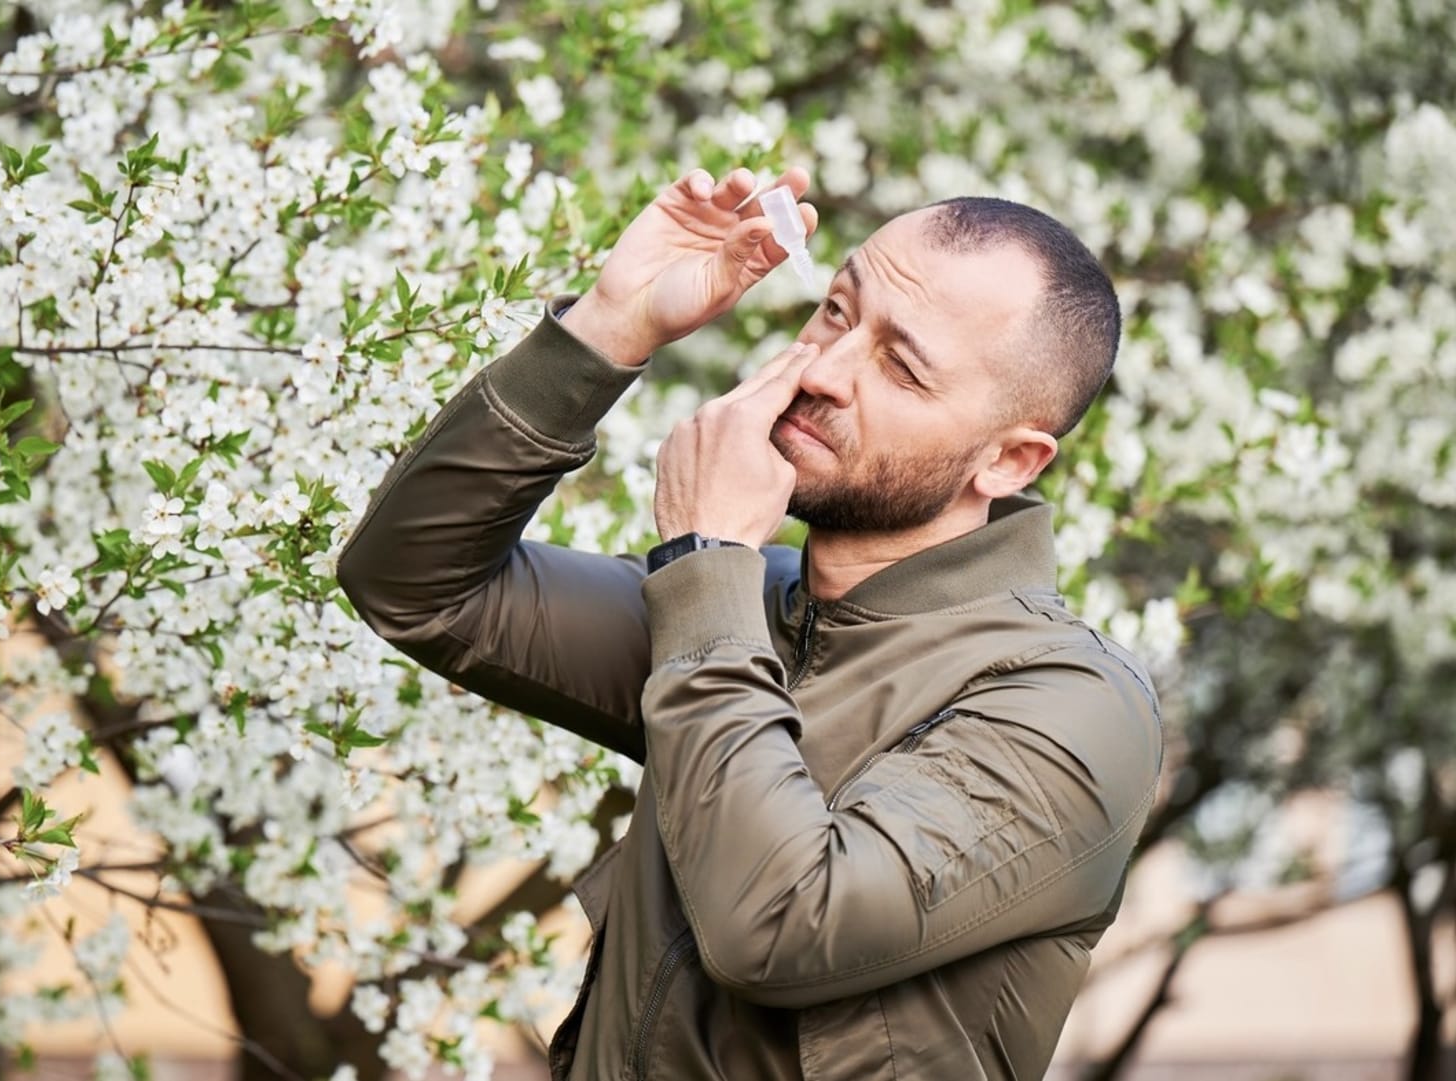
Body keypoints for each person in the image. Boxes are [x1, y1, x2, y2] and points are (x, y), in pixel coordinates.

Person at [336, 165, 1163, 1080]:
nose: (824, 370)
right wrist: (609, 328)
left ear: (1009, 459)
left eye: (902, 367)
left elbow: (778, 925)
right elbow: (415, 585)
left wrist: (703, 562)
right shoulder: (750, 603)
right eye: (839, 312)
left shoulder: (1072, 707)